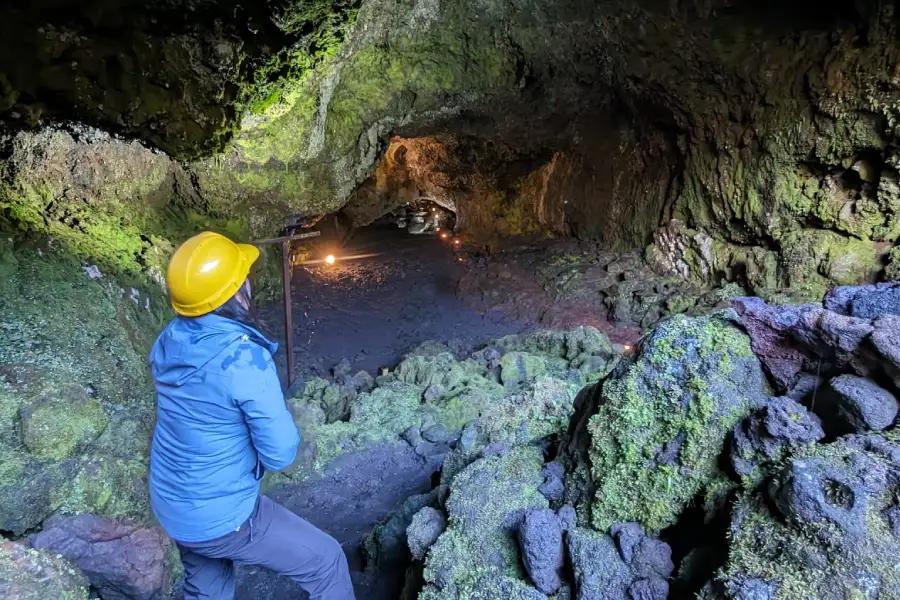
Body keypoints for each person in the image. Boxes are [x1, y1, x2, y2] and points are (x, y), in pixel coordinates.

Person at [148, 231, 355, 600]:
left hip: (173, 503)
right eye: (243, 277)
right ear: (234, 292)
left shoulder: (170, 340)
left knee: (207, 589)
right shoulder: (243, 359)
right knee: (326, 562)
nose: (249, 281)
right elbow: (280, 452)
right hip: (221, 513)